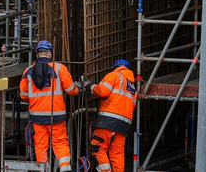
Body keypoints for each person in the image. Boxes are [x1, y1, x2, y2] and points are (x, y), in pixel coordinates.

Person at [20, 39, 79, 172]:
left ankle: (43, 170)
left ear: (37, 55)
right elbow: (71, 90)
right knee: (60, 142)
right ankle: (65, 169)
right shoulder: (60, 69)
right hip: (56, 115)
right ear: (50, 54)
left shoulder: (28, 71)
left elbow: (23, 95)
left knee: (40, 145)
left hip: (37, 116)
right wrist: (78, 88)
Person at [87, 59, 138, 172]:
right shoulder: (133, 88)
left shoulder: (114, 75)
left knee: (97, 148)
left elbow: (102, 91)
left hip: (108, 120)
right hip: (123, 125)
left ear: (115, 67)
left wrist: (89, 86)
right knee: (117, 153)